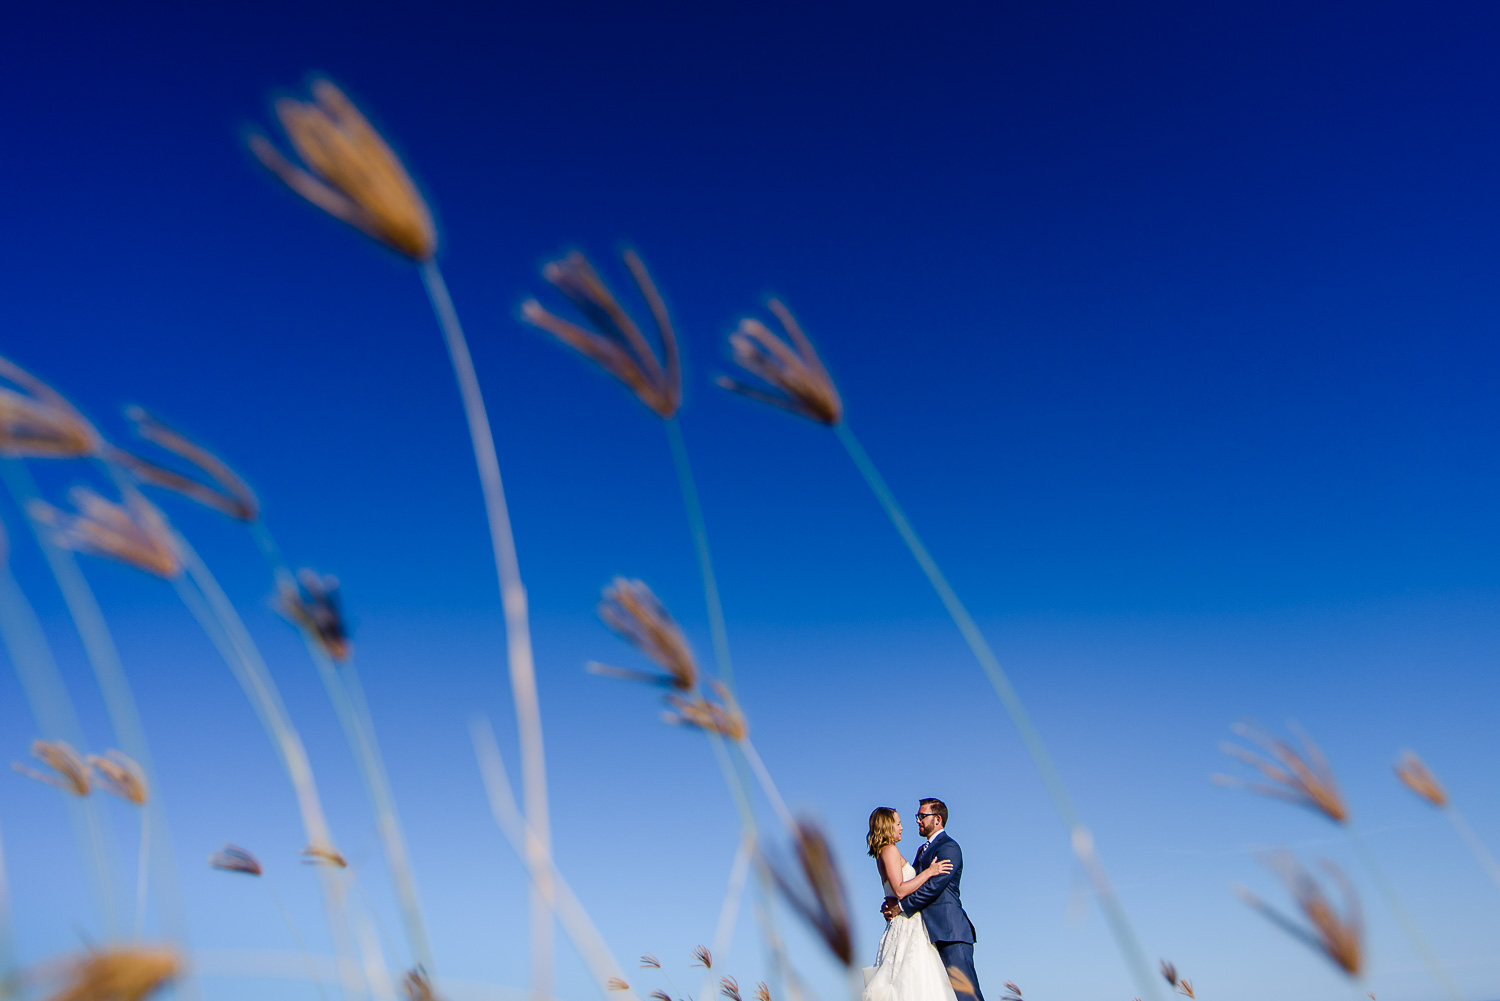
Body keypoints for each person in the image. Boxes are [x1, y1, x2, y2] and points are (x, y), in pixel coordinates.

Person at [878, 799, 983, 1001]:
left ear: (937, 819)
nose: (917, 820)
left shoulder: (949, 847)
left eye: (922, 816)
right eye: (918, 816)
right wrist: (890, 902)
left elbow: (933, 887)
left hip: (949, 932)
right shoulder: (921, 851)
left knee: (966, 995)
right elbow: (911, 883)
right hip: (925, 935)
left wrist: (900, 906)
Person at [861, 805, 959, 1001]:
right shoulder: (889, 850)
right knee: (911, 981)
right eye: (898, 823)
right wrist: (929, 872)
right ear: (888, 826)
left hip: (909, 922)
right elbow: (899, 889)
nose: (902, 827)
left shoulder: (887, 851)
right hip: (906, 924)